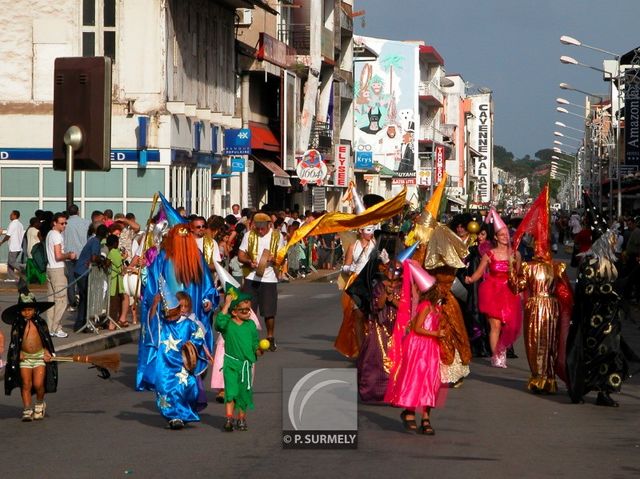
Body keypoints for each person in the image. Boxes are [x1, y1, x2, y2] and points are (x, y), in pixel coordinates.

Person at [511, 186, 574, 394]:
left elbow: (565, 291)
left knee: (549, 342)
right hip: (539, 305)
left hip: (547, 305)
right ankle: (539, 376)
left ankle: (547, 377)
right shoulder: (531, 267)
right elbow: (518, 286)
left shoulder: (556, 267)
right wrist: (513, 270)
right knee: (535, 342)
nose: (541, 248)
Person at [565, 227, 636, 407]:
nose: (614, 245)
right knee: (591, 355)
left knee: (612, 355)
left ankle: (605, 392)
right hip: (593, 318)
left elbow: (619, 284)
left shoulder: (612, 263)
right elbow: (586, 289)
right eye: (611, 241)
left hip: (611, 318)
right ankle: (581, 389)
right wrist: (608, 291)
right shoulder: (590, 262)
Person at [384, 263, 443, 435]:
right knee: (414, 378)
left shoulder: (437, 308)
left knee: (430, 382)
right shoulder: (425, 305)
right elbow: (417, 328)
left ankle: (426, 417)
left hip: (431, 347)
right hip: (418, 345)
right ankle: (409, 410)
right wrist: (436, 332)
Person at [465, 209, 522, 368]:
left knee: (509, 325)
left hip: (509, 292)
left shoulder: (515, 254)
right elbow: (478, 273)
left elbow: (518, 275)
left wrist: (522, 290)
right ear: (496, 237)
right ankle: (496, 356)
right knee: (495, 325)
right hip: (492, 292)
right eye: (501, 235)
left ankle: (501, 349)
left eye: (507, 234)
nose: (505, 237)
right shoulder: (489, 254)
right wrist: (470, 279)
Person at [148, 289, 211, 429]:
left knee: (186, 387)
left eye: (184, 307)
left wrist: (192, 346)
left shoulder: (190, 324)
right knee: (165, 389)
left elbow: (199, 335)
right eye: (178, 307)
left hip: (183, 364)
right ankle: (173, 417)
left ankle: (183, 413)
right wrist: (154, 305)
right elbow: (152, 326)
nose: (181, 310)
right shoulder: (164, 324)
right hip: (164, 364)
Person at [3, 291, 57, 421]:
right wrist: (18, 353)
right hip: (25, 358)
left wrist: (47, 352)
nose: (27, 312)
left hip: (39, 357)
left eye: (30, 309)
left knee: (38, 384)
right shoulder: (17, 325)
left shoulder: (41, 323)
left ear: (35, 309)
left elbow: (46, 340)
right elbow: (15, 341)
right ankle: (27, 408)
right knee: (26, 384)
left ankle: (39, 403)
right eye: (24, 310)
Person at [215, 288, 261, 432]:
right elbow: (219, 323)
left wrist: (259, 350)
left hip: (246, 365)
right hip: (231, 363)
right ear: (234, 312)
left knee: (243, 393)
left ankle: (241, 419)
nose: (247, 313)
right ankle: (229, 418)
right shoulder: (228, 324)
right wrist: (227, 304)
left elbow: (255, 344)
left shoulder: (251, 325)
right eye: (243, 310)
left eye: (249, 310)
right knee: (231, 392)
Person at [237, 212, 285, 352]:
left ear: (269, 225)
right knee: (247, 309)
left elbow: (282, 256)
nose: (259, 230)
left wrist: (273, 259)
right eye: (257, 227)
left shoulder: (277, 236)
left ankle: (270, 337)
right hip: (251, 277)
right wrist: (248, 261)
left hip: (269, 278)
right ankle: (249, 338)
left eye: (262, 228)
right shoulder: (249, 235)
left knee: (269, 311)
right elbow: (240, 255)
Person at [357, 259, 402, 402]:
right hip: (379, 326)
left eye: (396, 271)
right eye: (390, 270)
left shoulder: (403, 287)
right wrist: (385, 295)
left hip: (396, 328)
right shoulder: (379, 286)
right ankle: (374, 392)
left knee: (397, 362)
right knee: (375, 359)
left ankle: (395, 392)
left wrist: (393, 299)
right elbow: (376, 305)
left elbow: (406, 308)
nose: (392, 274)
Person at [334, 226, 377, 358]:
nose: (371, 232)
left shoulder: (376, 245)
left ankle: (373, 348)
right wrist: (350, 267)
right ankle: (361, 350)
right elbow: (346, 266)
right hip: (358, 284)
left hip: (373, 283)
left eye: (372, 229)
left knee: (372, 317)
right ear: (360, 231)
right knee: (358, 316)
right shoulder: (353, 246)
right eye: (368, 229)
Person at [44, 213, 76, 338]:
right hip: (57, 270)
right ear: (54, 223)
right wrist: (69, 255)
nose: (64, 225)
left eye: (65, 223)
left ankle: (50, 327)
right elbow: (58, 256)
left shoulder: (49, 234)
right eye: (62, 223)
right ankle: (56, 328)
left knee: (51, 301)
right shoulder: (57, 236)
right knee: (61, 301)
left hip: (50, 268)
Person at [73, 224, 109, 332]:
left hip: (80, 271)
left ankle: (82, 323)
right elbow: (94, 257)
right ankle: (81, 323)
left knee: (85, 298)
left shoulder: (93, 240)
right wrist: (103, 261)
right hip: (82, 272)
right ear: (105, 235)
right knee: (85, 299)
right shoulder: (96, 242)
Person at [62, 204, 90, 309]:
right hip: (83, 254)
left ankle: (72, 302)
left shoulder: (65, 224)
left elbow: (62, 240)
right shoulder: (86, 222)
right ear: (78, 211)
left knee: (71, 279)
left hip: (69, 255)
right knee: (82, 278)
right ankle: (82, 299)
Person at [106, 234, 130, 329]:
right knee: (114, 303)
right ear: (115, 243)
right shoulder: (114, 252)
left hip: (115, 281)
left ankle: (112, 322)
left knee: (116, 302)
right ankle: (112, 324)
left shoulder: (112, 252)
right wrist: (124, 257)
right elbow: (118, 263)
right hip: (114, 282)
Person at [1, 210, 25, 282]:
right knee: (10, 262)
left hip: (14, 246)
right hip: (18, 246)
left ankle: (23, 269)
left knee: (11, 262)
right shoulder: (20, 224)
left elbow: (8, 235)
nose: (10, 216)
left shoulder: (13, 224)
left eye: (11, 214)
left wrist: (2, 242)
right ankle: (11, 277)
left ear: (15, 215)